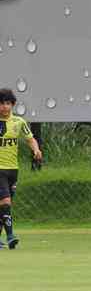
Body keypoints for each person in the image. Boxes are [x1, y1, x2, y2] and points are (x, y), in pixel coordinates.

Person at [0, 88, 42, 249]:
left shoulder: (19, 122)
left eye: (7, 103)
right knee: (5, 202)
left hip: (12, 169)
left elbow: (30, 139)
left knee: (4, 206)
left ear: (13, 105)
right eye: (1, 104)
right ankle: (11, 236)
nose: (4, 107)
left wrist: (36, 150)